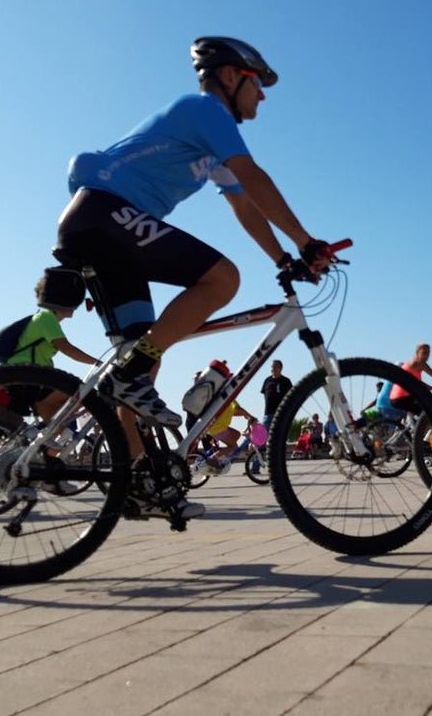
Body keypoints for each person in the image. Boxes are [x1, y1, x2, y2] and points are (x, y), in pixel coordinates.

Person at [55, 37, 330, 520]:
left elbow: (244, 204)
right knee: (222, 280)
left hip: (100, 226)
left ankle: (137, 483)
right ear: (230, 77)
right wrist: (307, 242)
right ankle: (131, 374)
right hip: (106, 215)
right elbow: (258, 179)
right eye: (257, 84)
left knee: (138, 363)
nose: (262, 96)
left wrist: (283, 258)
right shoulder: (205, 112)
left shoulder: (210, 144)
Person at [6, 269, 100, 419]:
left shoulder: (46, 319)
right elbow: (68, 350)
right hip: (29, 376)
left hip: (33, 377)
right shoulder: (46, 318)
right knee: (83, 393)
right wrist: (99, 363)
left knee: (54, 429)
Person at [260, 359, 292, 429]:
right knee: (264, 436)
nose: (273, 368)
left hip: (281, 414)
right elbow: (264, 394)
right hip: (267, 414)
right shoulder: (267, 380)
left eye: (275, 366)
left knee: (278, 435)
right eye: (272, 366)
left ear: (280, 368)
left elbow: (291, 396)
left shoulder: (286, 381)